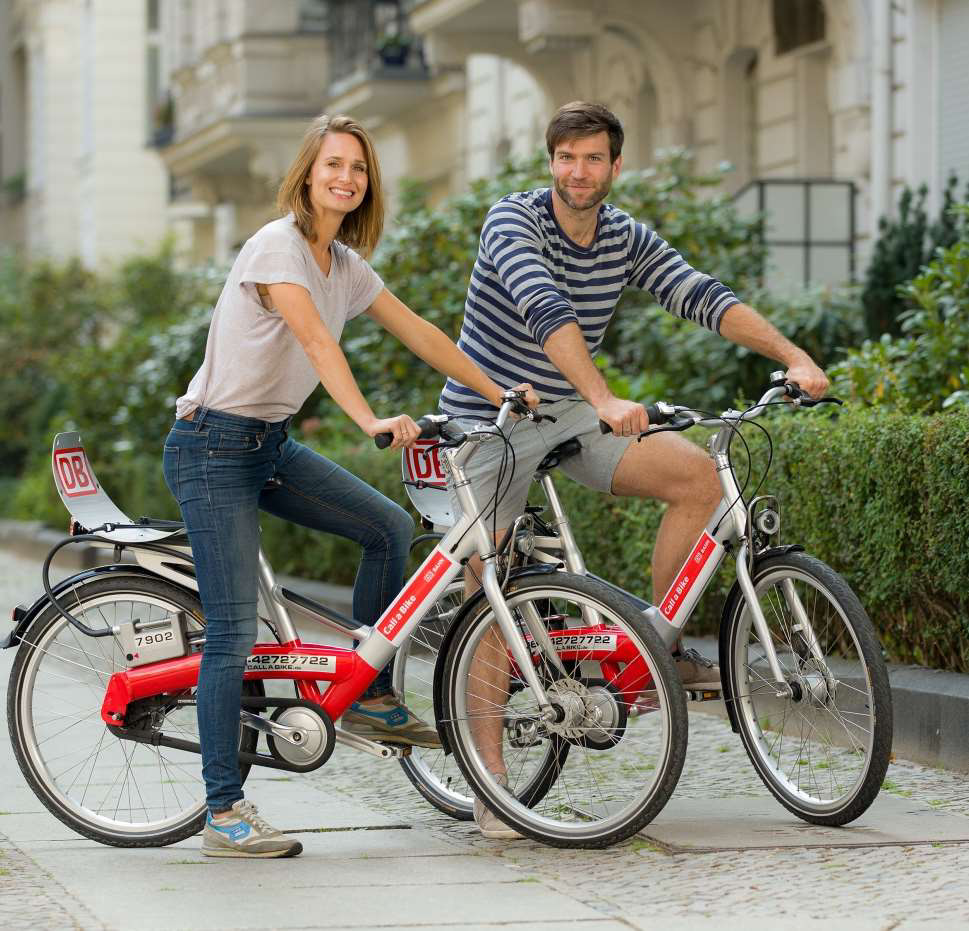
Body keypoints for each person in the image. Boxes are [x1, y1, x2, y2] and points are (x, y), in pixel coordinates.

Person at [439, 101, 830, 838]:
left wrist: (793, 357)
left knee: (700, 482)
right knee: (495, 590)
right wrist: (603, 396)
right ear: (548, 162)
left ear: (615, 167)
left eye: (591, 158)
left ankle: (657, 643)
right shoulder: (511, 221)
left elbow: (700, 294)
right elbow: (544, 308)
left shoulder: (622, 234)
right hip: (488, 420)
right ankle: (492, 787)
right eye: (564, 157)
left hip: (571, 413)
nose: (576, 172)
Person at [163, 113, 535, 859]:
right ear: (308, 173)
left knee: (387, 529)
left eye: (358, 168)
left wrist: (502, 391)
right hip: (211, 447)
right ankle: (223, 811)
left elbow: (421, 331)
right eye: (333, 163)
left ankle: (369, 692)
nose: (345, 177)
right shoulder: (276, 247)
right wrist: (367, 417)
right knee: (233, 632)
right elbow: (314, 341)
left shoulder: (343, 264)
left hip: (267, 443)